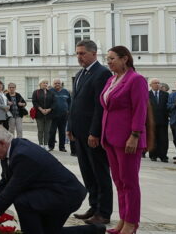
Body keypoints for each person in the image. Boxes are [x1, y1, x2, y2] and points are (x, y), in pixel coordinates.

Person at [0, 124, 105, 234]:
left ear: (2, 143)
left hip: (66, 194)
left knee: (22, 201)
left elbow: (11, 191)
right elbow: (5, 182)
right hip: (54, 191)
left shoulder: (22, 155)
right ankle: (94, 231)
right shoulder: (10, 151)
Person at [100, 46, 148, 234]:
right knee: (119, 181)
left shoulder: (136, 80)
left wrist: (135, 135)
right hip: (110, 137)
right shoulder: (112, 79)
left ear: (125, 59)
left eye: (112, 58)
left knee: (130, 182)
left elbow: (140, 108)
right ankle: (123, 218)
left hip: (128, 138)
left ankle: (131, 222)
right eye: (107, 59)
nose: (108, 62)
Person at [68, 39, 113, 225]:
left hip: (92, 135)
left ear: (94, 53)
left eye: (82, 53)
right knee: (87, 173)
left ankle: (103, 212)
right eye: (77, 53)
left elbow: (99, 107)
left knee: (99, 173)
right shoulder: (80, 74)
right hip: (79, 133)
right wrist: (70, 127)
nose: (79, 57)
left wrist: (95, 132)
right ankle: (93, 206)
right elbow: (74, 103)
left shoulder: (101, 73)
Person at [148, 78, 170, 162]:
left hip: (163, 120)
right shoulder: (147, 94)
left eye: (158, 83)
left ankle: (163, 156)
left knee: (163, 139)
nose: (157, 84)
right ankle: (153, 155)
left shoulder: (165, 94)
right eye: (155, 83)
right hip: (151, 120)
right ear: (150, 85)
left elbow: (168, 107)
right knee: (152, 138)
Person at [50, 79, 71, 152]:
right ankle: (51, 146)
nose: (57, 84)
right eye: (55, 83)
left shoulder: (66, 91)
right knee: (52, 131)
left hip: (63, 115)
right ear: (53, 84)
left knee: (62, 132)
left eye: (58, 83)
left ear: (61, 84)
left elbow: (69, 102)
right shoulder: (50, 91)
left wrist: (69, 110)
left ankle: (62, 147)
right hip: (53, 115)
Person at [32, 79, 54, 147]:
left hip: (49, 114)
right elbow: (34, 101)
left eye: (46, 83)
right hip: (39, 114)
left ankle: (46, 144)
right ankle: (41, 144)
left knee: (47, 131)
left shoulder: (51, 93)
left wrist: (49, 109)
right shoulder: (36, 92)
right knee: (40, 130)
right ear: (40, 84)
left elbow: (54, 102)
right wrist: (41, 109)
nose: (45, 84)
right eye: (44, 83)